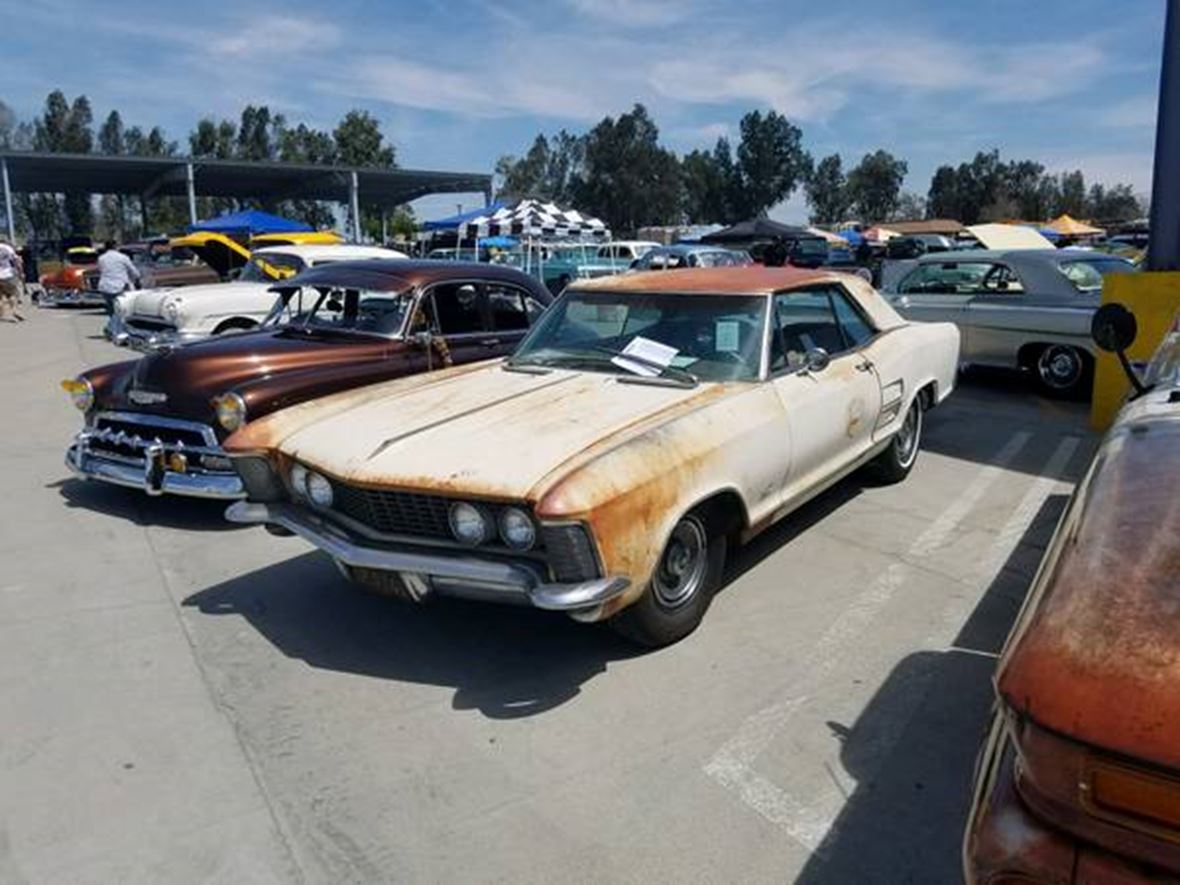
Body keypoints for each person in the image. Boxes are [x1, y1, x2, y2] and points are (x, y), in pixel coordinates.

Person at [96, 240, 140, 314]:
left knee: (111, 310)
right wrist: (137, 278)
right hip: (120, 287)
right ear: (115, 247)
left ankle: (112, 322)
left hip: (105, 287)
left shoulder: (101, 258)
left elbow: (101, 270)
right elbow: (134, 272)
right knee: (122, 310)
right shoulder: (123, 257)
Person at [0, 238, 24, 322]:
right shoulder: (7, 248)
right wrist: (21, 272)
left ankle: (1, 314)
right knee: (12, 294)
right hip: (7, 275)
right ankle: (15, 310)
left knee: (1, 296)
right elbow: (17, 261)